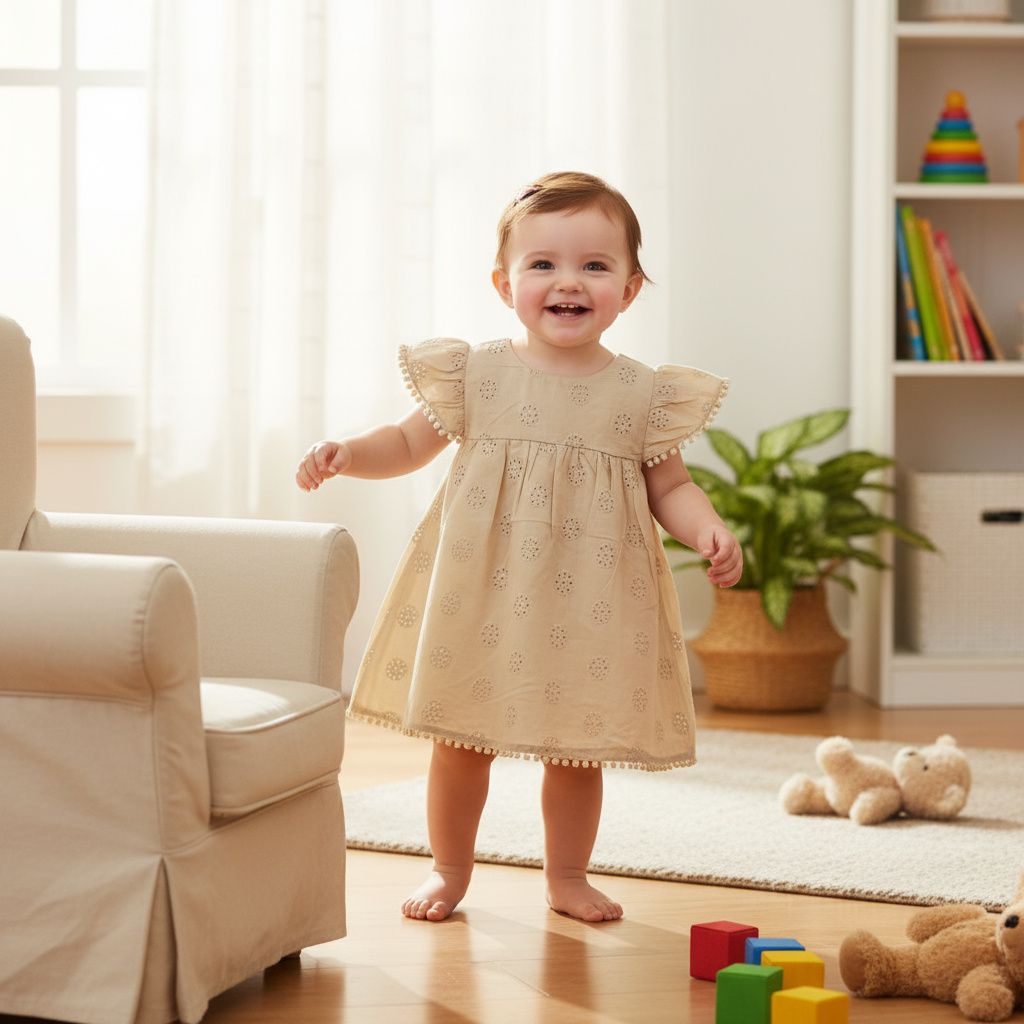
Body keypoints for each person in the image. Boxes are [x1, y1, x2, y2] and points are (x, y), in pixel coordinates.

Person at [296, 171, 743, 925]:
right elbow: (406, 443)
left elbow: (670, 487)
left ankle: (566, 876)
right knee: (461, 742)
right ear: (506, 284)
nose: (568, 281)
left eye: (594, 266)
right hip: (486, 589)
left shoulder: (641, 393)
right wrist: (348, 452)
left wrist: (706, 528)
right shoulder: (477, 373)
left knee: (575, 751)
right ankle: (449, 870)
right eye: (544, 264)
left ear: (629, 290)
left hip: (593, 598)